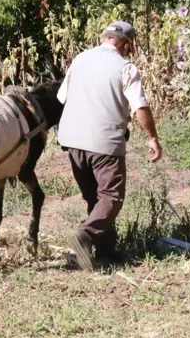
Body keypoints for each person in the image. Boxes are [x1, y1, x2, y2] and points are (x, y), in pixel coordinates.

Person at [56, 21, 163, 271]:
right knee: (112, 197)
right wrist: (153, 137)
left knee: (95, 197)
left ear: (104, 38)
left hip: (73, 142)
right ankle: (84, 235)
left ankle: (106, 251)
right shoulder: (124, 67)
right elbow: (140, 107)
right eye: (130, 46)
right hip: (104, 142)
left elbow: (62, 97)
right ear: (125, 43)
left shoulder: (80, 60)